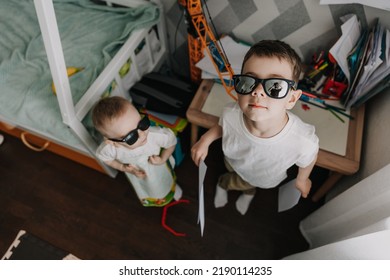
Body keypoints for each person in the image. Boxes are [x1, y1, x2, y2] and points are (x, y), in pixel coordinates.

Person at [191, 40, 319, 215]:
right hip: (234, 158)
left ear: (291, 99)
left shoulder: (302, 140)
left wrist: (302, 179)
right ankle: (239, 187)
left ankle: (227, 185)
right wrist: (205, 140)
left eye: (275, 86)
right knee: (232, 170)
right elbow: (223, 125)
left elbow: (309, 156)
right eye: (248, 81)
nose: (258, 91)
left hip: (260, 174)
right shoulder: (231, 112)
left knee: (243, 183)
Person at [92, 96, 182, 207]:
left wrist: (163, 158)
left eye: (142, 124)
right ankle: (156, 198)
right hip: (139, 175)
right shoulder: (109, 149)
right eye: (131, 136)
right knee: (149, 188)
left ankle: (172, 187)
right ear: (111, 142)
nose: (142, 134)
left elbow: (171, 141)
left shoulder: (155, 136)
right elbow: (106, 159)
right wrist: (122, 167)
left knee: (166, 178)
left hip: (160, 167)